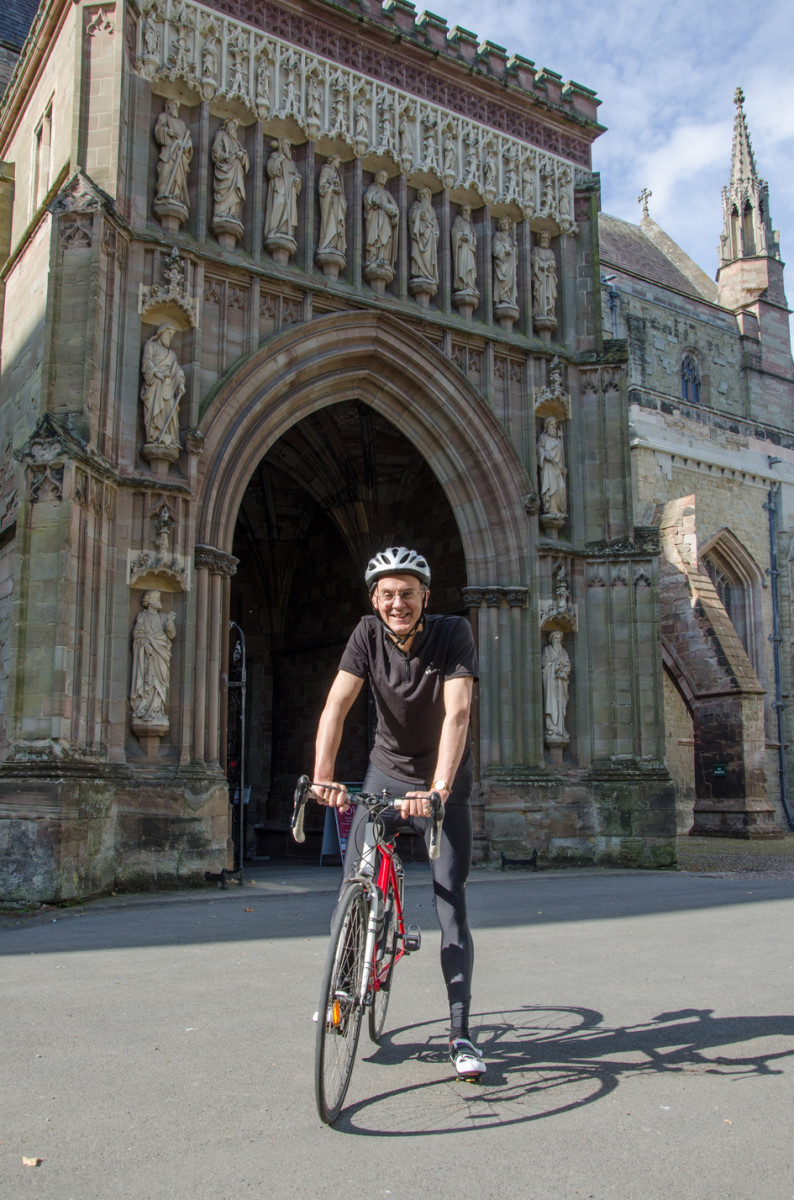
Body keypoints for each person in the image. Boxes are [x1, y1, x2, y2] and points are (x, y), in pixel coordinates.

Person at [312, 546, 485, 1080]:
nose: (397, 603)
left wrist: (437, 789)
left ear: (425, 597)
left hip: (441, 780)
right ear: (375, 599)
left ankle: (461, 1033)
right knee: (354, 881)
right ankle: (345, 985)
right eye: (387, 595)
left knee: (449, 902)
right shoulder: (366, 634)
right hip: (385, 773)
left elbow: (457, 713)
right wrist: (322, 776)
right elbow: (336, 706)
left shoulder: (454, 632)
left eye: (407, 593)